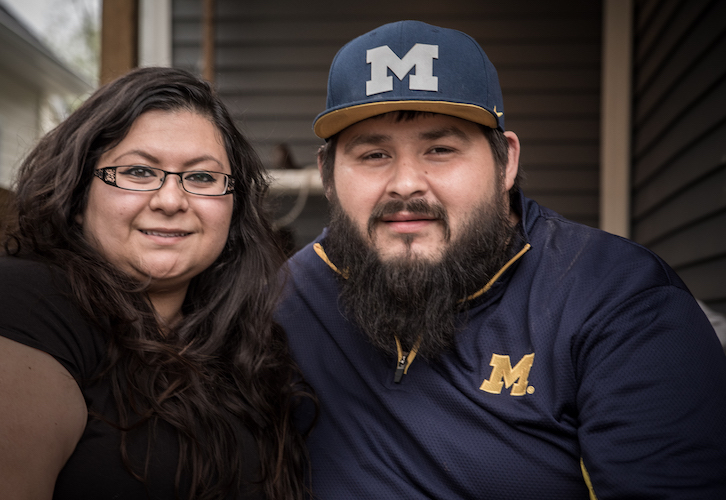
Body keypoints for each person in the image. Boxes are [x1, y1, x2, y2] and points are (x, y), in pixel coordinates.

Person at [275, 20, 726, 499]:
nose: (406, 183)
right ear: (327, 174)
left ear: (506, 162)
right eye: (373, 154)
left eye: (440, 149)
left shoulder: (618, 299)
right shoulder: (286, 299)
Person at [0, 67, 313, 500]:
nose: (171, 200)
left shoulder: (245, 343)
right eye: (137, 172)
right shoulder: (21, 301)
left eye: (202, 178)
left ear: (233, 212)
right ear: (78, 194)